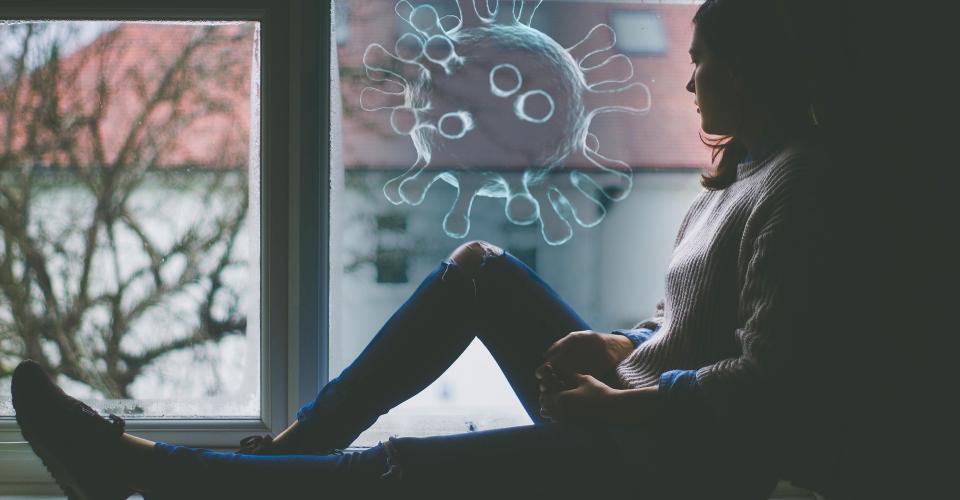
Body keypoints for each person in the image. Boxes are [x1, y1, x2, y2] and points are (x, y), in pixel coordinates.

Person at [10, 0, 836, 498]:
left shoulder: (799, 186)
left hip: (678, 475)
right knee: (476, 267)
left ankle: (141, 472)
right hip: (640, 424)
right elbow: (684, 325)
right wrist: (620, 344)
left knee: (405, 473)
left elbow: (770, 386)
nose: (688, 84)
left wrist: (620, 401)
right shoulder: (740, 176)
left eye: (703, 65)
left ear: (754, 71)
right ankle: (296, 449)